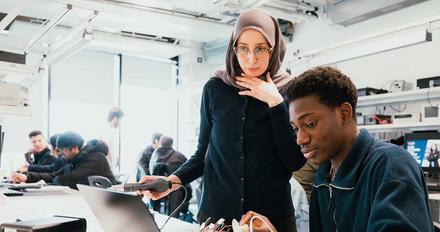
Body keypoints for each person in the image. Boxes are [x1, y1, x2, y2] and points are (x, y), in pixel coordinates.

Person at [140, 9, 306, 231]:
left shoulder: (288, 91)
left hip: (270, 220)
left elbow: (294, 161)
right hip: (217, 219)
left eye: (260, 49)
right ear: (233, 48)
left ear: (273, 48)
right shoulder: (216, 88)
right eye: (243, 48)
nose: (251, 59)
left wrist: (276, 104)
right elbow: (202, 155)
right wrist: (170, 183)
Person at [241, 66, 433, 231]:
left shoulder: (390, 166)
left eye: (310, 124)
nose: (300, 139)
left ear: (344, 113)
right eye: (295, 128)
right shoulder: (322, 179)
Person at [11, 132, 117, 189]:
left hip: (112, 202)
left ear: (74, 148)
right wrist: (26, 177)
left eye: (63, 150)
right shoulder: (75, 160)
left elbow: (70, 180)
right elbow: (54, 175)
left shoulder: (95, 158)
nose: (61, 153)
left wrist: (56, 179)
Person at [148, 136, 191, 217]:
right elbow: (188, 173)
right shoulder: (179, 156)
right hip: (177, 193)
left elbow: (151, 172)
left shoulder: (154, 156)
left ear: (160, 143)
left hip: (156, 191)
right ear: (171, 144)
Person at [100, 107, 124, 172]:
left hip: (107, 166)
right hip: (107, 167)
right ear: (115, 119)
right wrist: (111, 165)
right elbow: (108, 149)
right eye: (120, 120)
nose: (120, 123)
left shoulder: (106, 129)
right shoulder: (109, 131)